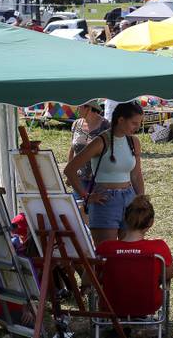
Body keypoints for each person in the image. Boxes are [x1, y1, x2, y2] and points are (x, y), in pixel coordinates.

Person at [64, 102, 145, 245]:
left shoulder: (134, 142)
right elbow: (70, 170)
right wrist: (86, 196)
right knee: (106, 255)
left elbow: (136, 175)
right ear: (120, 120)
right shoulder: (101, 141)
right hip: (105, 200)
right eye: (134, 123)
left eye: (139, 123)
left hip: (129, 199)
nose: (137, 127)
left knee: (130, 252)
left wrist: (142, 201)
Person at [96, 195, 173, 294]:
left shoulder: (105, 247)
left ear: (125, 218)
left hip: (111, 307)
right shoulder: (159, 247)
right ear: (151, 222)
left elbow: (90, 278)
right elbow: (169, 274)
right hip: (147, 306)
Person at [67, 100, 110, 201]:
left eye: (80, 106)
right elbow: (72, 149)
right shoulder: (76, 124)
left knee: (95, 211)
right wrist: (70, 172)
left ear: (89, 107)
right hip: (78, 178)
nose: (77, 109)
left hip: (98, 179)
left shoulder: (106, 126)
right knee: (79, 209)